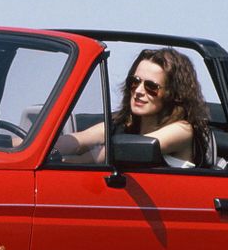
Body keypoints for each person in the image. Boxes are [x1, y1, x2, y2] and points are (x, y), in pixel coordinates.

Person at [54, 47, 211, 167]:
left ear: (175, 94)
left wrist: (73, 162)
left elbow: (118, 151)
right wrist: (43, 148)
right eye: (134, 82)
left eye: (151, 87)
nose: (138, 91)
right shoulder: (122, 124)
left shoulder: (183, 130)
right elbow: (80, 140)